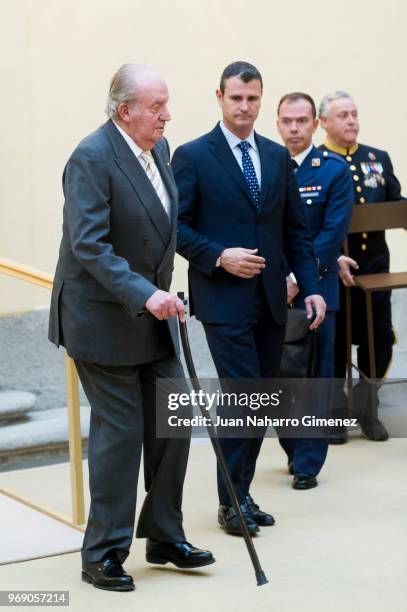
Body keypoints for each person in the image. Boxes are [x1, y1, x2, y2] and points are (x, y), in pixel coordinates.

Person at [48, 64, 214, 592]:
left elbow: (157, 228)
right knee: (121, 436)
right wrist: (147, 293)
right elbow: (88, 244)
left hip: (153, 314)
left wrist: (163, 292)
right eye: (157, 106)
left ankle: (164, 536)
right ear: (125, 111)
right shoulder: (91, 157)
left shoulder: (158, 150)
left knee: (174, 418)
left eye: (167, 103)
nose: (168, 114)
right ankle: (102, 553)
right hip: (102, 318)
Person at [172, 62, 325, 535]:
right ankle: (231, 502)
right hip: (223, 300)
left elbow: (295, 230)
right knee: (244, 398)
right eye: (236, 98)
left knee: (261, 398)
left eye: (253, 99)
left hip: (272, 302)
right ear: (219, 96)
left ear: (262, 100)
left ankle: (241, 492)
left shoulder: (277, 158)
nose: (244, 107)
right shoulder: (193, 155)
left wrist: (312, 286)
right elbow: (175, 228)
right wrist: (220, 256)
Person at [276, 92, 354, 488]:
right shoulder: (269, 163)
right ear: (277, 123)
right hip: (272, 291)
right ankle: (293, 448)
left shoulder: (333, 170)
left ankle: (309, 462)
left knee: (315, 378)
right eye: (287, 121)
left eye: (301, 121)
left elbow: (330, 235)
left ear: (314, 124)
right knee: (280, 378)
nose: (294, 128)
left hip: (317, 289)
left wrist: (297, 279)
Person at [319, 91, 404, 442]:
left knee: (379, 338)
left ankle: (367, 402)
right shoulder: (316, 161)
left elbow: (395, 202)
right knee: (335, 343)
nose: (352, 120)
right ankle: (337, 407)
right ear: (323, 122)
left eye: (354, 114)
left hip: (375, 269)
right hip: (332, 271)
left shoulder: (377, 158)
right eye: (342, 115)